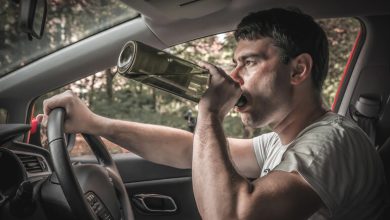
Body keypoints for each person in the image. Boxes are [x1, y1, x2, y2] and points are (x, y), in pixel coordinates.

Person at [38, 8, 387, 220]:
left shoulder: (331, 143)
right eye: (235, 64)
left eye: (249, 63)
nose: (235, 77)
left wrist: (210, 113)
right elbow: (187, 149)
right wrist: (94, 123)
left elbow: (233, 216)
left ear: (298, 71)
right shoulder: (284, 142)